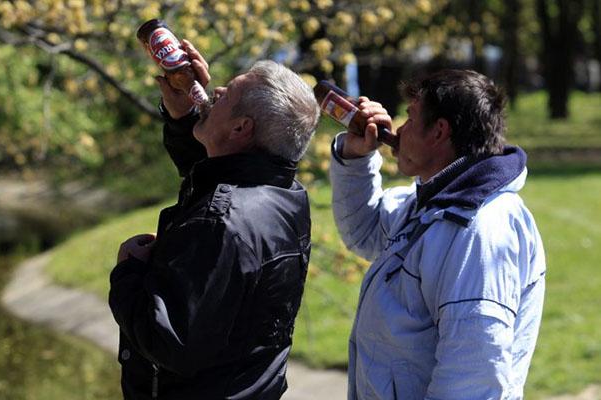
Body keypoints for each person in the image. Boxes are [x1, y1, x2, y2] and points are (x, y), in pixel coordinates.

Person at [108, 40, 320, 400]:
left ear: (241, 129)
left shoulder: (219, 222)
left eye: (225, 95)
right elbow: (215, 175)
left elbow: (166, 339)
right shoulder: (283, 195)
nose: (214, 90)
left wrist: (129, 271)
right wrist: (185, 117)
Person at [329, 69, 546, 399]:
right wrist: (356, 156)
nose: (399, 131)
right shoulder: (433, 203)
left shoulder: (479, 230)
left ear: (439, 132)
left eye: (411, 119)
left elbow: (473, 377)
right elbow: (364, 232)